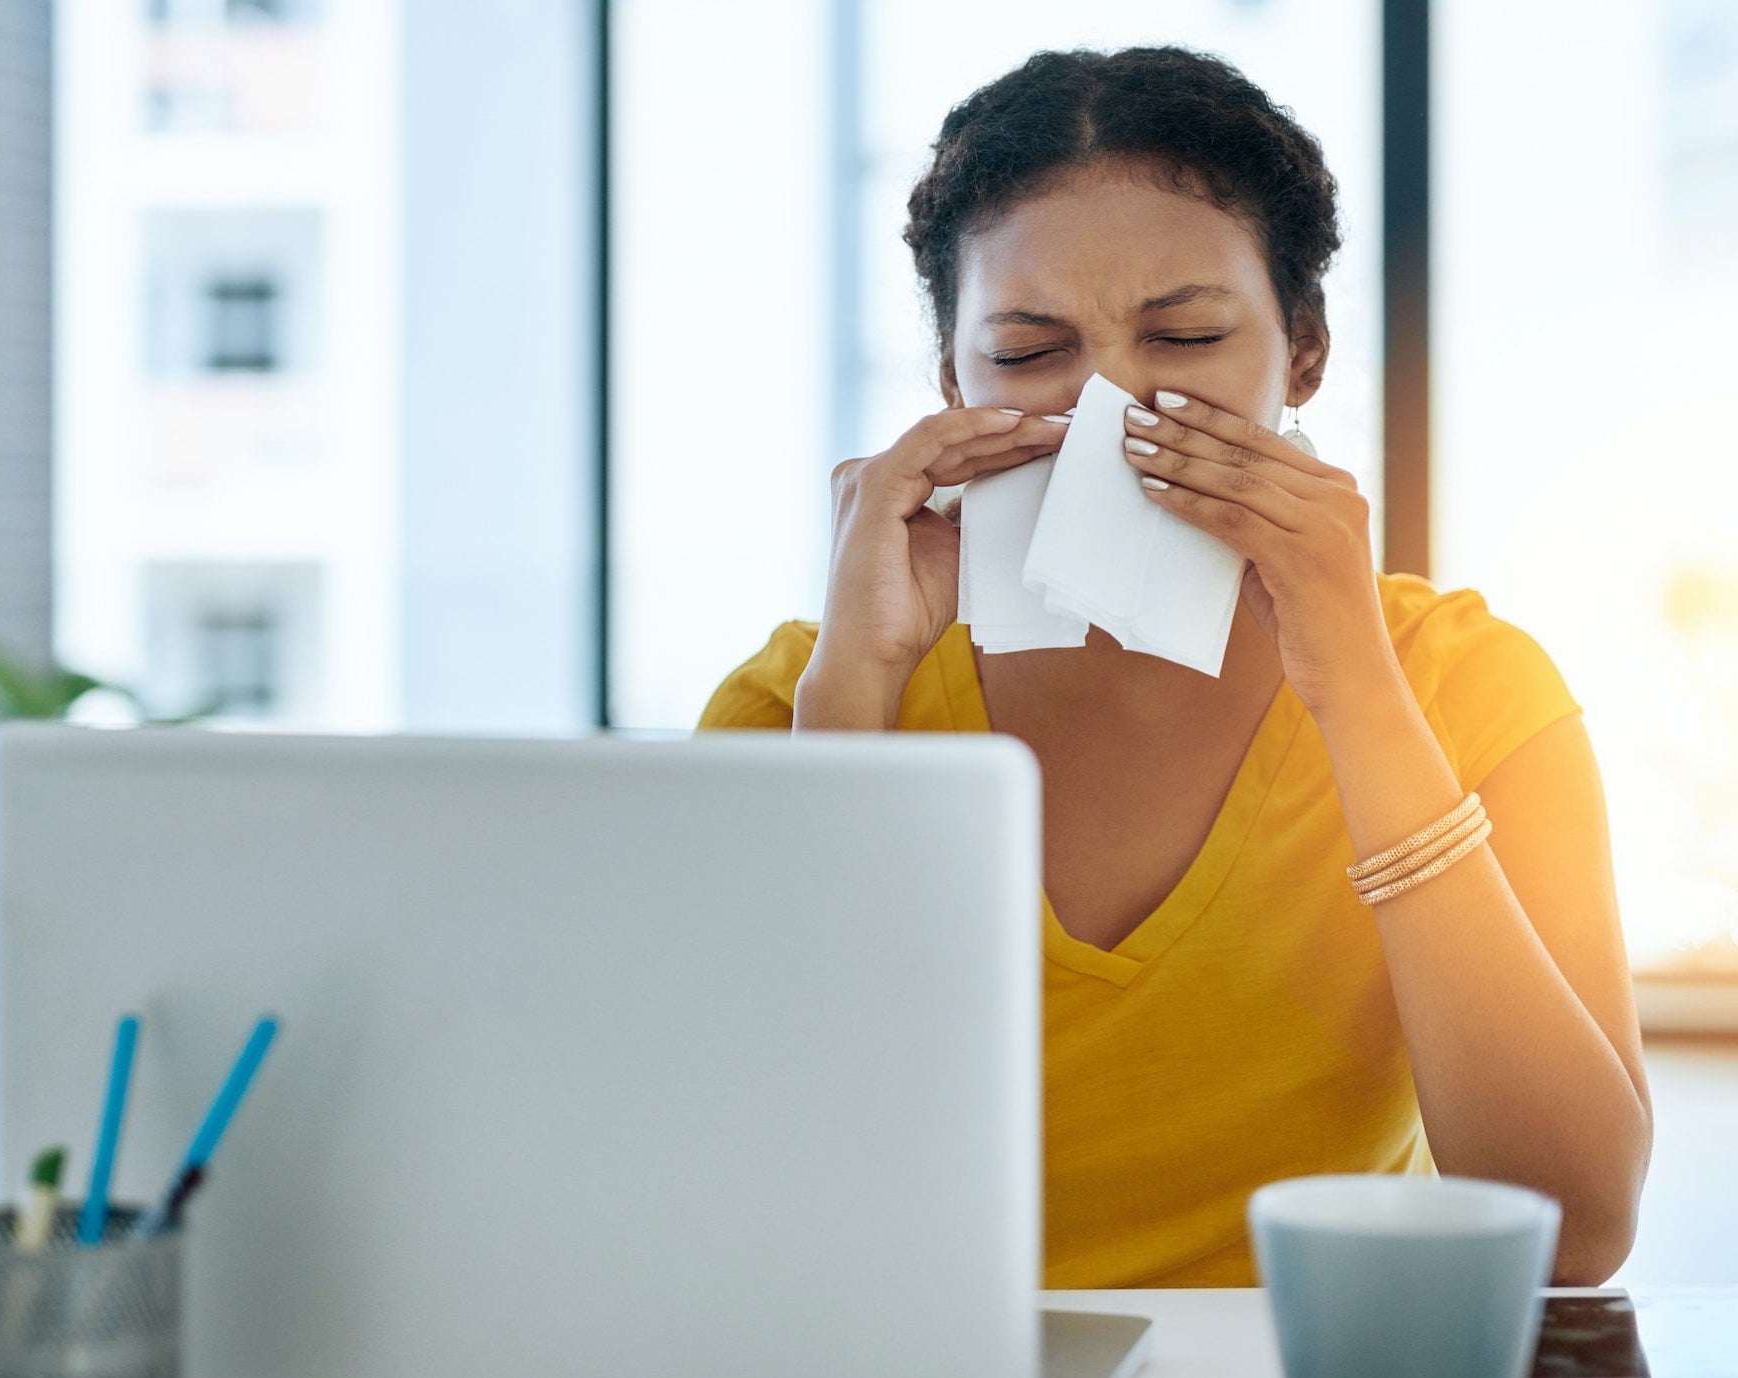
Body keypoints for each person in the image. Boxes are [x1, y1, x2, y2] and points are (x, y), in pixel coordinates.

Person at [699, 46, 1650, 1288]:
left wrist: (1356, 686)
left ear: (1300, 352)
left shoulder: (1468, 686)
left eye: (1185, 335)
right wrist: (856, 687)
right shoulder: (798, 703)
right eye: (1030, 353)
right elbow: (738, 1184)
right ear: (950, 385)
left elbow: (1568, 1231)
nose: (1110, 404)